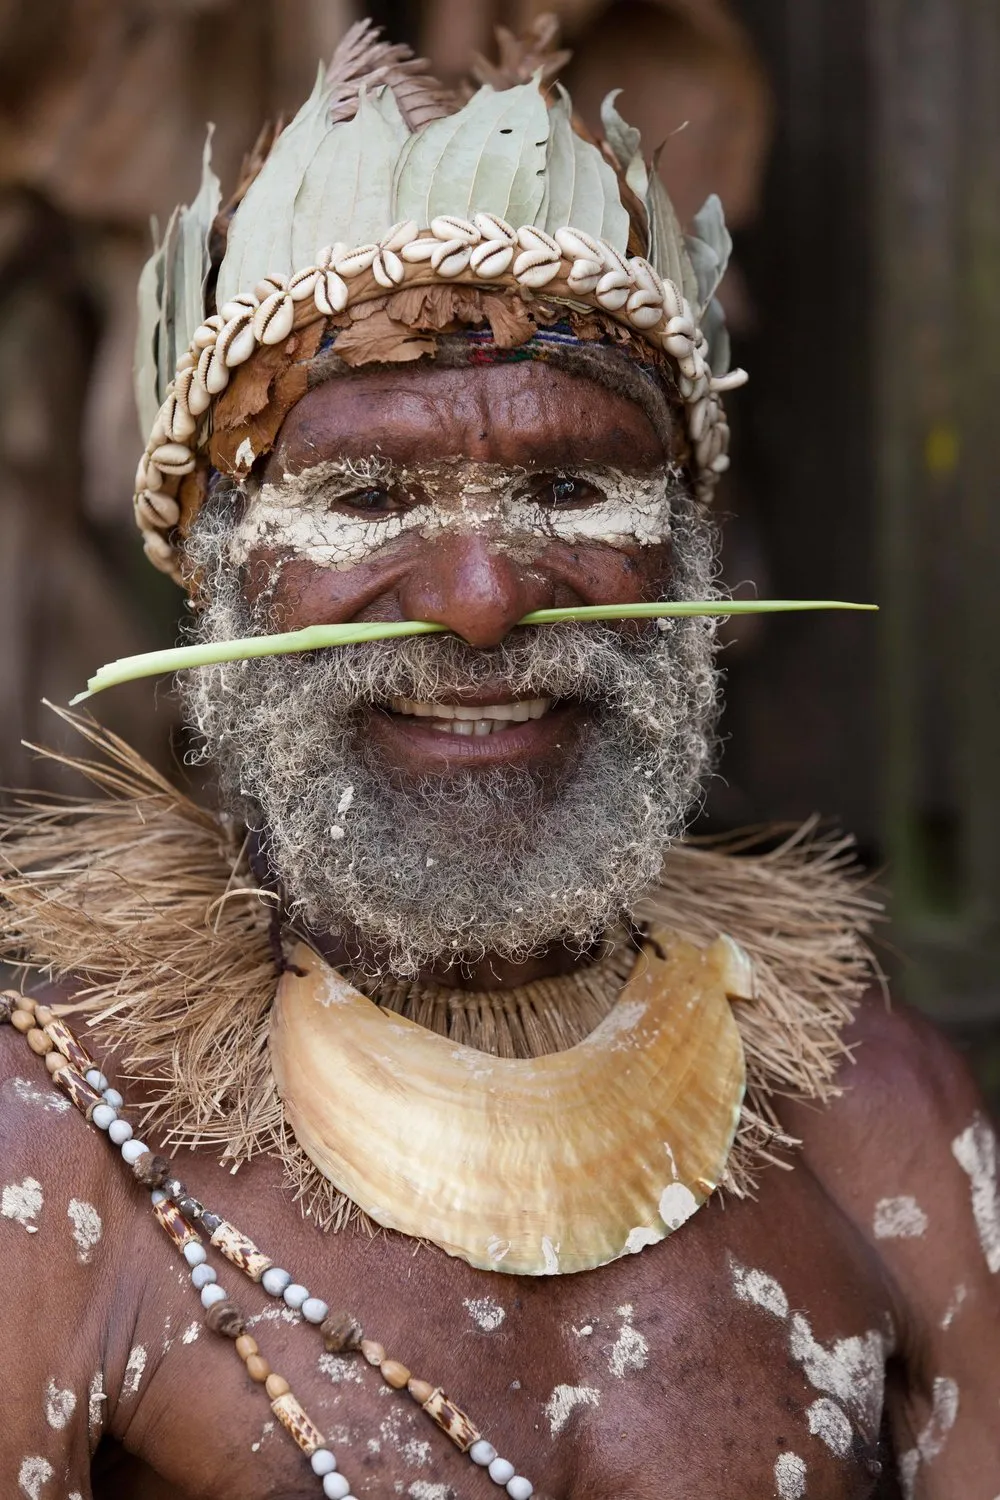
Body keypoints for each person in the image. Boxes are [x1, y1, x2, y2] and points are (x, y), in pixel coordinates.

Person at [1, 19, 997, 1500]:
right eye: (365, 497)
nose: (481, 603)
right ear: (220, 583)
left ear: (695, 566)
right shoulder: (61, 1160)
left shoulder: (873, 1123)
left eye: (573, 487)